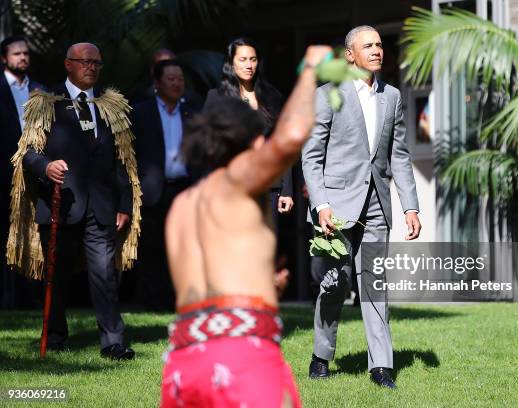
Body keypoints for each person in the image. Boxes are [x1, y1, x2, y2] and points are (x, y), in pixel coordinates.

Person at [160, 45, 331, 408]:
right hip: (239, 356)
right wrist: (311, 70)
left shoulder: (183, 206)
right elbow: (290, 137)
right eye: (258, 137)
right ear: (247, 141)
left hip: (183, 360)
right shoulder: (238, 183)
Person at [302, 26, 422, 388]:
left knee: (375, 284)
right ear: (350, 56)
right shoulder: (326, 96)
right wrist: (320, 204)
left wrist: (410, 207)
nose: (376, 50)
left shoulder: (393, 97)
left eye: (380, 45)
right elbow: (310, 156)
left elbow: (398, 156)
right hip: (335, 208)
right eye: (367, 45)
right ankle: (321, 355)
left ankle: (381, 367)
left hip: (376, 207)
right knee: (334, 285)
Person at [7, 42, 142, 359]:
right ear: (68, 64)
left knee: (105, 274)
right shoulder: (45, 103)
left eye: (96, 62)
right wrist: (46, 167)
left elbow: (123, 159)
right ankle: (54, 335)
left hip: (102, 206)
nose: (91, 67)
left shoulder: (111, 106)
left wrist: (124, 202)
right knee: (57, 275)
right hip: (60, 203)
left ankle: (112, 341)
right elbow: (27, 153)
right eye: (84, 61)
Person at [204, 38, 294, 228]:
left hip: (268, 186)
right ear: (231, 63)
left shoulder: (272, 96)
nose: (249, 65)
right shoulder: (217, 97)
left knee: (265, 248)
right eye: (243, 59)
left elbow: (282, 143)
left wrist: (287, 189)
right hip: (230, 186)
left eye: (253, 60)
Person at [132, 59, 195, 310]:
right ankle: (153, 302)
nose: (177, 83)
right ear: (157, 83)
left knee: (183, 247)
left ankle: (179, 298)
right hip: (153, 190)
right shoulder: (140, 112)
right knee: (151, 247)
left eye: (180, 79)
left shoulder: (192, 112)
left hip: (184, 190)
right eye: (171, 79)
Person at [0, 35, 45, 308]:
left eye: (26, 53)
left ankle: (30, 299)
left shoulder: (40, 90)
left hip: (34, 173)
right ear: (4, 58)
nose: (23, 58)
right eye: (16, 53)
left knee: (31, 235)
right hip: (3, 173)